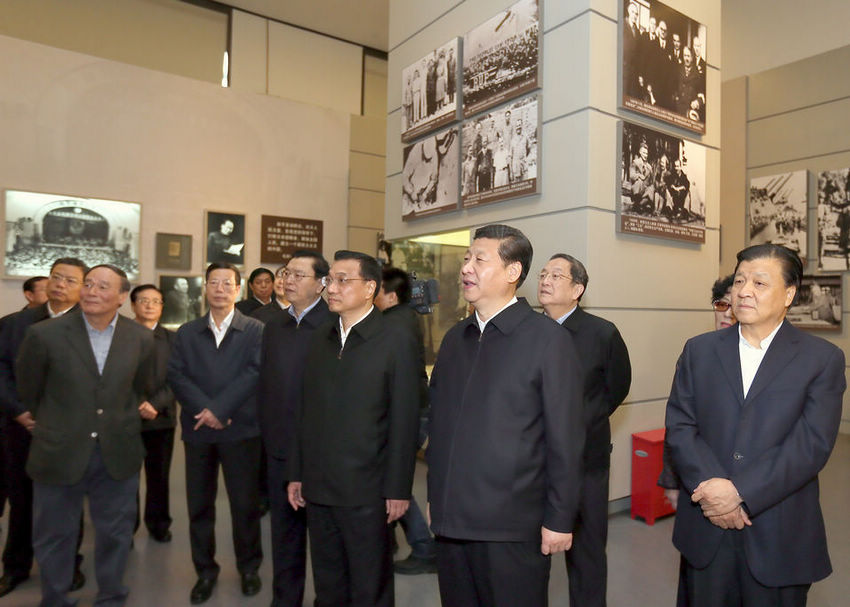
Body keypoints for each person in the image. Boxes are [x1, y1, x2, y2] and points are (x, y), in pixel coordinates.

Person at [665, 244, 846, 607]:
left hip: (778, 530)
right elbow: (681, 425)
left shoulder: (821, 359)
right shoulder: (699, 350)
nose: (744, 290)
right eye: (739, 280)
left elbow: (810, 445)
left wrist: (740, 492)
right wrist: (712, 489)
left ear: (789, 295)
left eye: (760, 283)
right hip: (706, 524)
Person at [427, 225, 585, 607]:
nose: (467, 267)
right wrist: (435, 497)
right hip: (452, 520)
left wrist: (560, 518)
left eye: (480, 259)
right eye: (467, 258)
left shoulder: (548, 340)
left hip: (513, 526)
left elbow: (565, 438)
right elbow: (440, 425)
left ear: (513, 272)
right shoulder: (455, 338)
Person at [16, 264, 155, 606]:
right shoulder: (45, 334)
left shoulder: (140, 337)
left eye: (103, 286)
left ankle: (111, 594)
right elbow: (29, 389)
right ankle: (55, 597)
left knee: (115, 533)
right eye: (88, 284)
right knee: (55, 534)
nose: (91, 291)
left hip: (117, 450)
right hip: (59, 448)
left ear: (122, 297)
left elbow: (141, 387)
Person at [287, 250, 420, 607]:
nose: (332, 287)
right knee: (328, 583)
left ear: (369, 289)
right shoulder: (320, 338)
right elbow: (305, 412)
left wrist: (398, 488)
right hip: (319, 485)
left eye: (343, 280)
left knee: (369, 584)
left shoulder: (395, 340)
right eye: (330, 280)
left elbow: (406, 420)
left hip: (368, 489)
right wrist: (298, 473)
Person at [168, 262, 265, 604]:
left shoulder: (255, 330)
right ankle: (205, 571)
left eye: (227, 282)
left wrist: (220, 411)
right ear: (205, 288)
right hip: (199, 432)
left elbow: (255, 373)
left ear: (238, 289)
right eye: (214, 282)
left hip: (241, 431)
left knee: (245, 505)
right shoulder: (187, 331)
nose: (220, 288)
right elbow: (177, 375)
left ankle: (250, 567)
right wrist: (206, 412)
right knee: (199, 507)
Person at [537, 254, 631, 607]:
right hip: (534, 462)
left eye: (556, 275)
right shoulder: (527, 331)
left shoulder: (601, 333)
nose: (545, 280)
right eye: (543, 274)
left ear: (577, 289)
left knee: (587, 552)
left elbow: (616, 387)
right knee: (533, 553)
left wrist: (579, 421)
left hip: (586, 461)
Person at [0, 258, 89, 599]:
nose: (60, 285)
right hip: (21, 429)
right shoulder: (14, 324)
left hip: (70, 432)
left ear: (83, 288)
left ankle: (70, 564)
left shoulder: (92, 326)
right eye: (55, 277)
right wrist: (19, 412)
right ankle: (16, 567)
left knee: (67, 502)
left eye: (70, 280)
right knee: (21, 500)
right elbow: (2, 372)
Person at [257, 250, 330, 607]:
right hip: (280, 450)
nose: (288, 280)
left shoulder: (334, 326)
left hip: (320, 453)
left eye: (299, 275)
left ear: (321, 284)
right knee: (283, 536)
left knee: (323, 538)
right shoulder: (273, 325)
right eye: (287, 273)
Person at [374, 267, 436, 576]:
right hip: (414, 410)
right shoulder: (406, 319)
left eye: (377, 289)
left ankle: (424, 547)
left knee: (392, 482)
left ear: (390, 295)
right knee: (393, 480)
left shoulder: (391, 325)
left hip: (403, 414)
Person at [129, 284, 177, 543]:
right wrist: (137, 403)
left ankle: (159, 524)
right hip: (127, 418)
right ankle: (127, 527)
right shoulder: (121, 337)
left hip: (162, 418)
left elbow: (179, 378)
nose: (149, 305)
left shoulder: (173, 339)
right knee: (126, 477)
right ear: (133, 305)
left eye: (156, 301)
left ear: (162, 307)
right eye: (143, 300)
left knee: (159, 476)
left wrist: (155, 404)